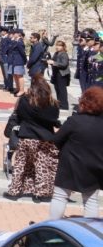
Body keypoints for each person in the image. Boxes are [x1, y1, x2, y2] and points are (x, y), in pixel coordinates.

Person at [4, 74, 60, 201]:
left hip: (26, 135)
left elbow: (20, 115)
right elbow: (54, 119)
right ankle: (41, 193)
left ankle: (14, 191)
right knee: (42, 165)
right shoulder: (52, 103)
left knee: (20, 164)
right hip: (44, 138)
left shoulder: (25, 100)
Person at [49, 87, 103, 219]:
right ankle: (90, 230)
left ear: (84, 103)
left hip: (70, 164)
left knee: (60, 196)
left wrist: (64, 149)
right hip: (95, 165)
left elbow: (56, 139)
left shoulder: (75, 121)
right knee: (90, 200)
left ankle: (53, 223)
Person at [47, 39, 71, 109]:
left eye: (60, 46)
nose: (57, 47)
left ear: (63, 47)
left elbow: (64, 64)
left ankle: (64, 105)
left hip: (62, 74)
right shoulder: (56, 53)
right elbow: (53, 61)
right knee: (57, 89)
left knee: (62, 90)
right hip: (56, 73)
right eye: (57, 45)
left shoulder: (64, 54)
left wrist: (53, 63)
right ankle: (59, 103)